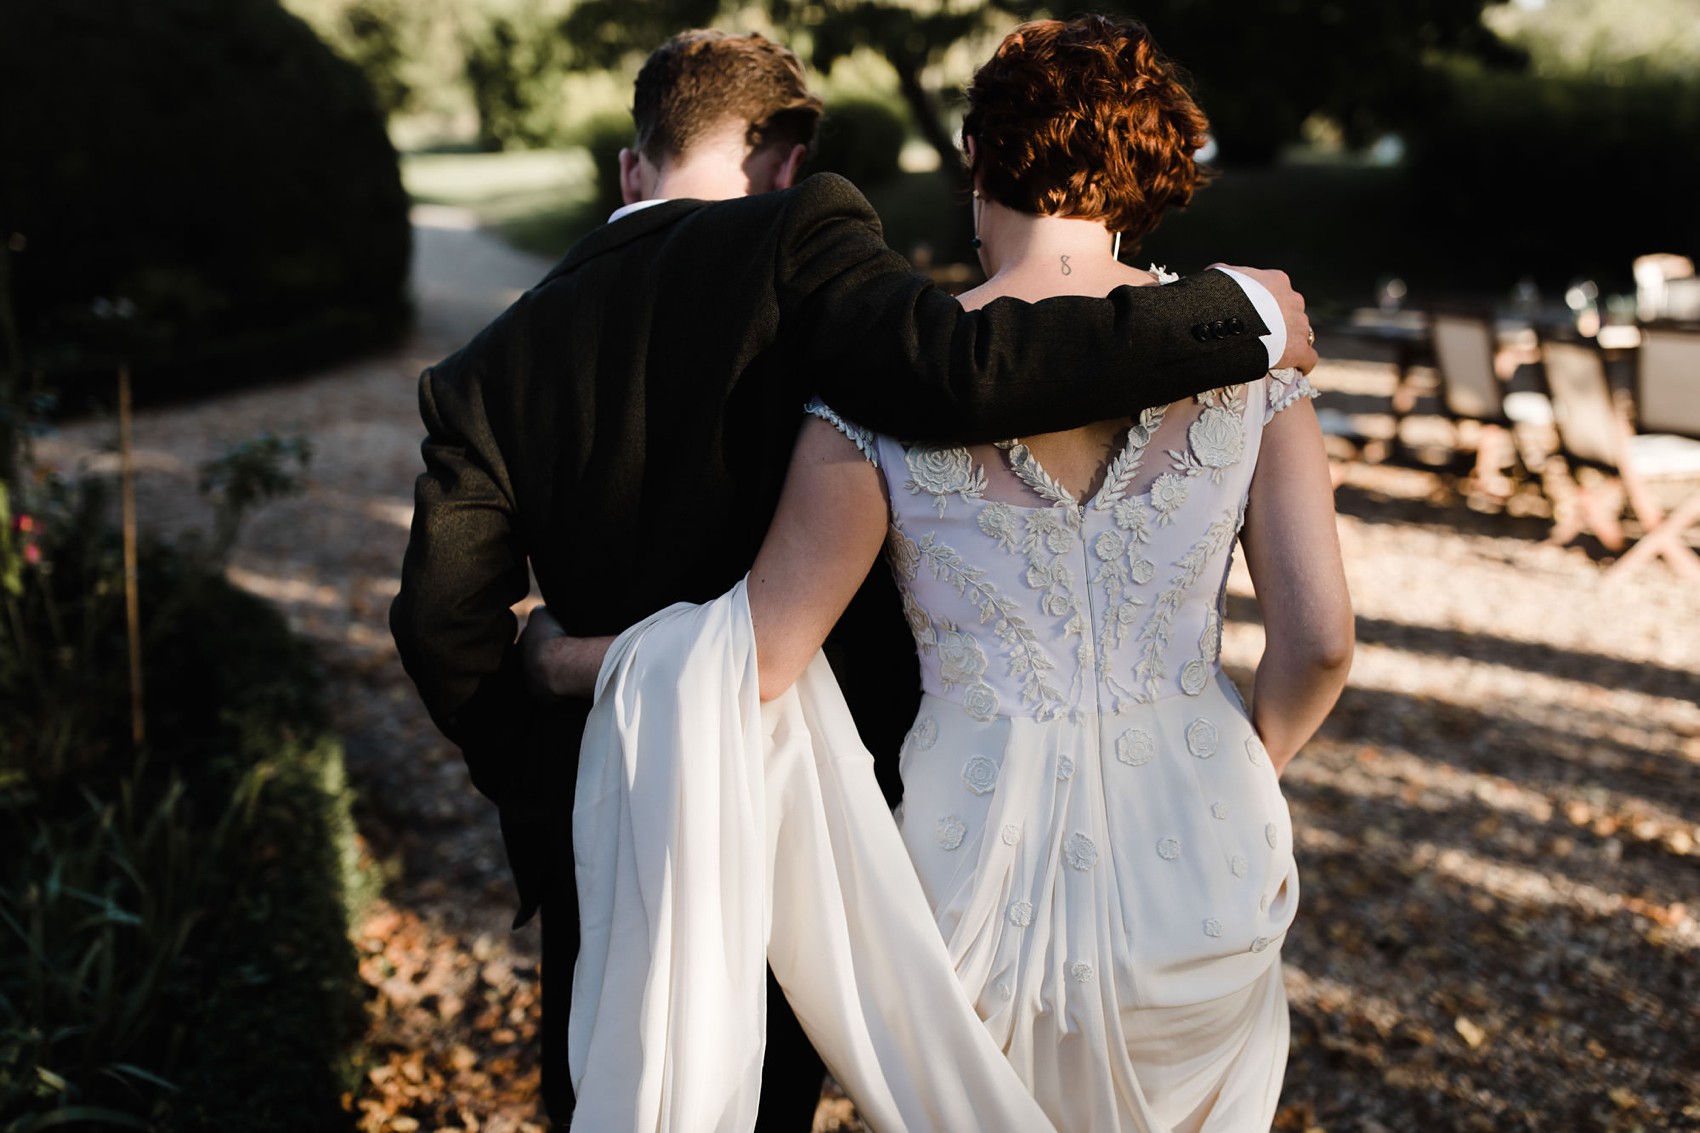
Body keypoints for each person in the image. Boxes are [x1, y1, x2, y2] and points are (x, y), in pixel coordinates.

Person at [392, 27, 1318, 1131]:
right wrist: (1246, 318)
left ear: (630, 167)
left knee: (612, 1077)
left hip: (781, 823)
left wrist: (556, 746)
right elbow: (968, 373)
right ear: (788, 159)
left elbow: (440, 620)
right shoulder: (807, 237)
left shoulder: (479, 370)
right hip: (1084, 818)